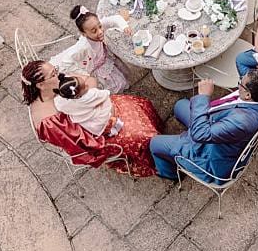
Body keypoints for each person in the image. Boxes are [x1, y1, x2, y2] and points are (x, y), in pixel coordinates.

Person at [24, 60, 163, 178]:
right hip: (97, 137)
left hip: (98, 110)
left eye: (56, 70)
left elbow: (90, 80)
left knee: (136, 103)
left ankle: (158, 134)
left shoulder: (58, 84)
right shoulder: (49, 122)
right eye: (53, 74)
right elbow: (81, 144)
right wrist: (100, 112)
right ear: (40, 85)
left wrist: (87, 100)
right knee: (141, 135)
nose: (59, 74)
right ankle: (159, 160)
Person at [147, 69, 258, 183]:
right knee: (180, 105)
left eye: (240, 83)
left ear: (248, 95)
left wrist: (204, 96)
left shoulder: (241, 122)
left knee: (154, 143)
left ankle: (171, 174)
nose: (239, 82)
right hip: (216, 124)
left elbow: (200, 134)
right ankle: (186, 134)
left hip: (209, 155)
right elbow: (242, 60)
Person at [50, 6, 130, 93]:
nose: (100, 31)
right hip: (97, 68)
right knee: (114, 85)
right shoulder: (83, 47)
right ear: (83, 33)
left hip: (105, 58)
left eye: (100, 26)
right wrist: (84, 74)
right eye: (94, 31)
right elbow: (66, 63)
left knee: (121, 75)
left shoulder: (96, 26)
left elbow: (115, 19)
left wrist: (124, 26)